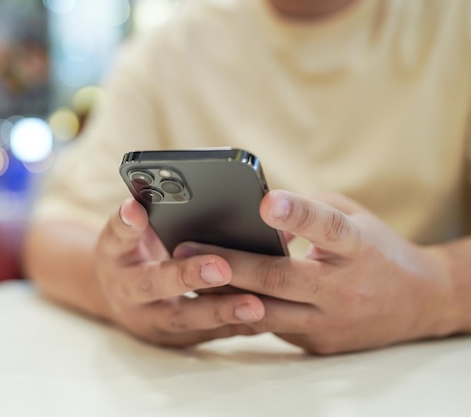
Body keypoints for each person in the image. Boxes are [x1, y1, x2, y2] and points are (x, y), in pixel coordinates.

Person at [23, 0, 471, 355]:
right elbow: (52, 234)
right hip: (209, 383)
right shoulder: (169, 49)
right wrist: (114, 289)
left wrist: (433, 290)